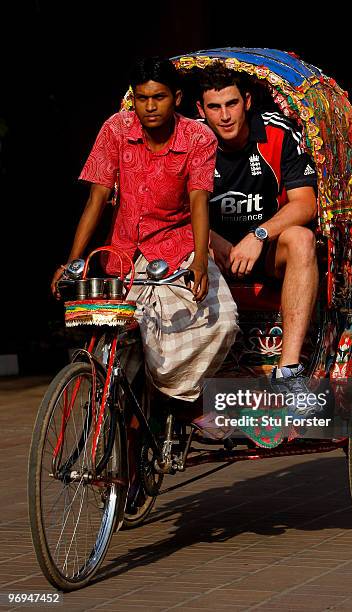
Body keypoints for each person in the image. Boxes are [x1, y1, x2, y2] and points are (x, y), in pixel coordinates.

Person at [51, 57, 238, 401]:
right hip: (122, 254)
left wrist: (199, 260)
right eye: (142, 98)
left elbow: (199, 201)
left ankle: (169, 394)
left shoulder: (198, 137)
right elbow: (97, 199)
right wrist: (72, 262)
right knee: (115, 348)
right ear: (133, 98)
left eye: (159, 97)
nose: (150, 107)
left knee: (223, 321)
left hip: (177, 248)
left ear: (177, 97)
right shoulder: (115, 129)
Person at [196, 62, 318, 399]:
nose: (224, 116)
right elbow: (168, 208)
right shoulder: (189, 139)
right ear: (200, 109)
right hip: (205, 252)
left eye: (232, 104)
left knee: (302, 238)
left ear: (247, 101)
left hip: (265, 250)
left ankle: (289, 370)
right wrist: (210, 239)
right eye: (214, 107)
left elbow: (306, 204)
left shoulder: (278, 133)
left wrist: (258, 235)